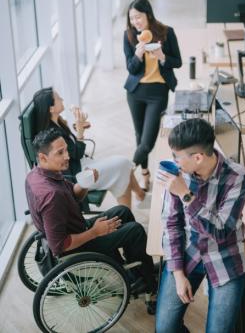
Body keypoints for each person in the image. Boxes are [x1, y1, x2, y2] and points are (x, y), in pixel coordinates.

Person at [25, 128, 157, 309]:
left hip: (77, 228)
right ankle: (149, 283)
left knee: (122, 211)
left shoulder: (35, 174)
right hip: (75, 246)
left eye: (66, 150)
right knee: (135, 230)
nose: (67, 156)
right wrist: (95, 232)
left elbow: (72, 194)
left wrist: (86, 184)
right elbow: (59, 246)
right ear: (43, 157)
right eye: (60, 153)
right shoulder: (51, 196)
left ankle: (137, 268)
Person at [155, 118, 245, 333]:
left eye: (176, 157)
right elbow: (171, 224)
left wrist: (186, 195)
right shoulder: (178, 174)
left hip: (225, 253)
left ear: (198, 157)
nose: (174, 161)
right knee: (164, 329)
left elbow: (222, 231)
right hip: (189, 249)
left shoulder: (237, 176)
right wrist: (178, 274)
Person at [32, 87, 145, 209]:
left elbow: (72, 147)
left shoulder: (57, 122)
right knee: (122, 164)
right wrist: (80, 132)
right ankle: (134, 207)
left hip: (81, 163)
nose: (62, 99)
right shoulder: (52, 134)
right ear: (51, 108)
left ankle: (140, 196)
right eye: (58, 98)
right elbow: (75, 153)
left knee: (123, 166)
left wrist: (79, 125)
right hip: (78, 174)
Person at [123, 0, 182, 191]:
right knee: (139, 137)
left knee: (147, 142)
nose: (135, 22)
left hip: (158, 93)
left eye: (138, 17)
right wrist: (138, 54)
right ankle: (145, 175)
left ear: (148, 14)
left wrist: (162, 57)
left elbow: (178, 61)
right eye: (132, 18)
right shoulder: (129, 36)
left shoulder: (166, 32)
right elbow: (131, 69)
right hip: (135, 92)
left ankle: (127, 172)